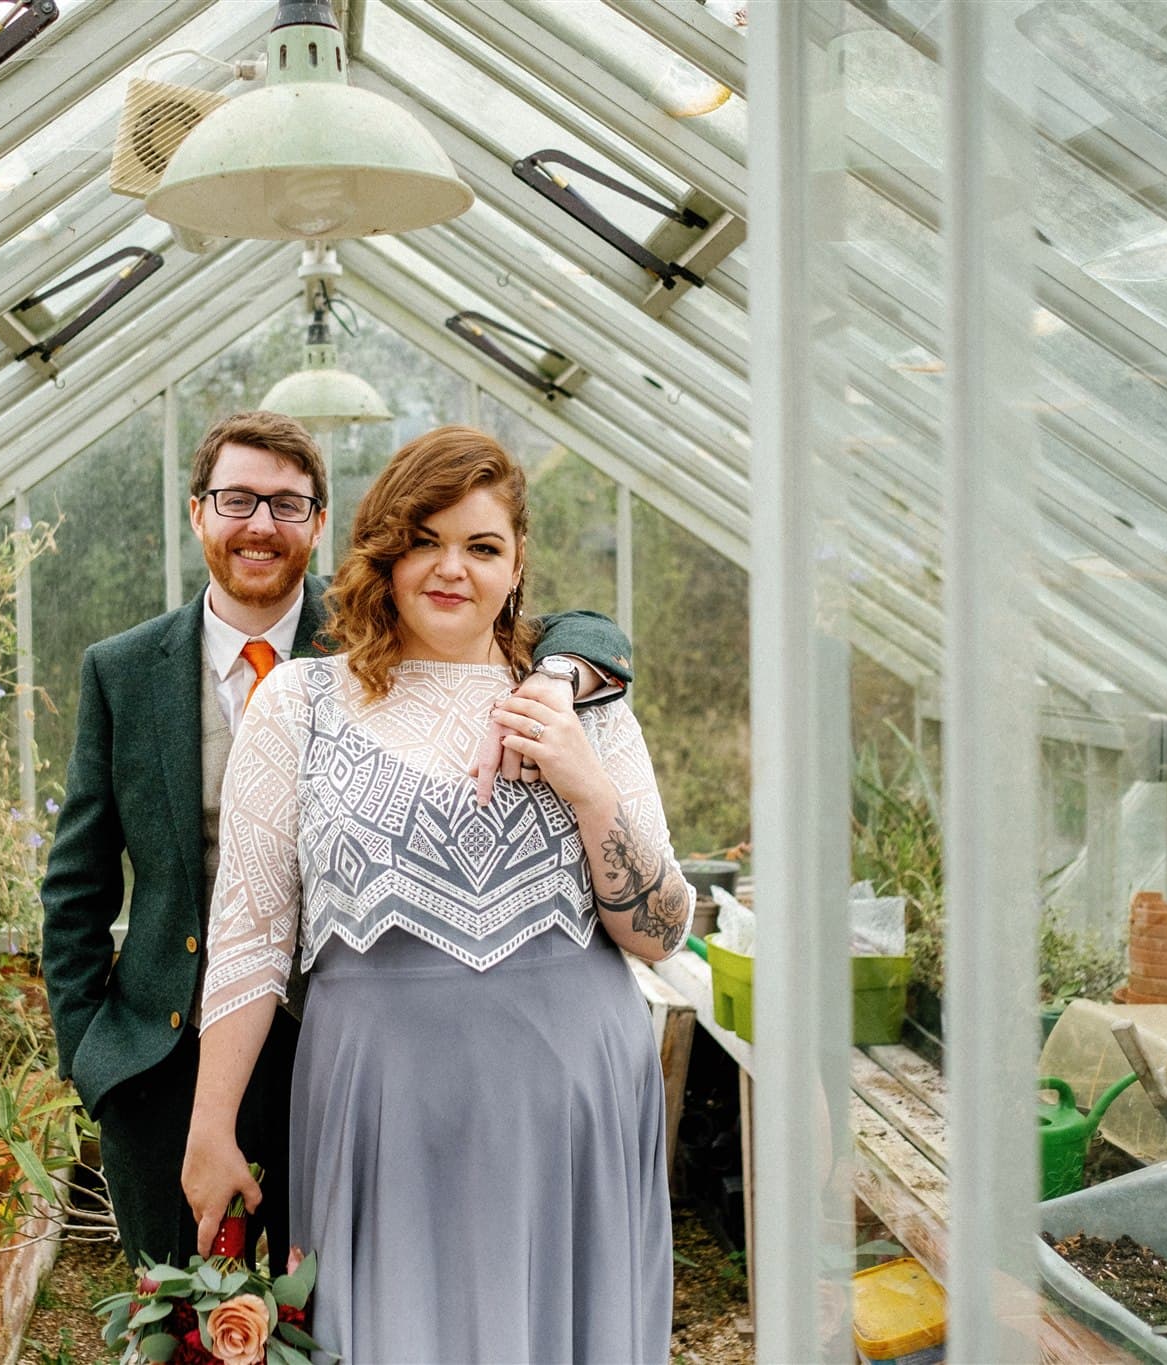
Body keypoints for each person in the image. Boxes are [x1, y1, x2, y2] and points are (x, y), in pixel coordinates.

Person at [42, 412, 635, 1275]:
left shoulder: (379, 626)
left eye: (288, 504)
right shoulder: (121, 669)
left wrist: (559, 675)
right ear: (199, 512)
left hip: (335, 1047)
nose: (260, 524)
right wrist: (93, 1055)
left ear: (321, 524)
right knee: (186, 1319)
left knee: (332, 1309)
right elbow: (77, 884)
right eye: (237, 499)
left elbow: (585, 627)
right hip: (165, 1064)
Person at [183, 425, 691, 1362]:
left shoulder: (584, 703)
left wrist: (584, 779)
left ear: (517, 564)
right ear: (384, 548)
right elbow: (250, 939)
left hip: (571, 1108)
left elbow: (659, 931)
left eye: (483, 545)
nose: (452, 567)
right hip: (383, 1112)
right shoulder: (297, 704)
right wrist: (211, 1126)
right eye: (426, 538)